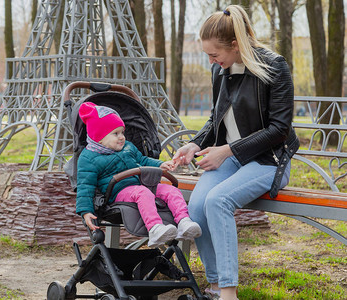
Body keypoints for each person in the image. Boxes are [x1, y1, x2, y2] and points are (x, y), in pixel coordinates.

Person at [172, 5, 299, 300]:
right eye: (208, 55)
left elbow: (279, 130)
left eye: (214, 55)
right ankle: (215, 285)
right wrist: (195, 144)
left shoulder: (274, 67)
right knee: (197, 206)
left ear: (235, 44)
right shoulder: (221, 69)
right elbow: (217, 117)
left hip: (269, 161)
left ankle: (229, 293)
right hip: (231, 160)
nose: (211, 61)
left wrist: (226, 151)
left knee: (218, 201)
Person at [76, 102, 201, 248]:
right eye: (115, 134)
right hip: (116, 193)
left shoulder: (128, 147)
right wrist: (86, 211)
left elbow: (142, 160)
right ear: (99, 137)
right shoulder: (88, 158)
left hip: (139, 184)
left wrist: (159, 164)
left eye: (122, 132)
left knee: (170, 190)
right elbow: (85, 186)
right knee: (142, 192)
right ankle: (154, 228)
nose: (122, 137)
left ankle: (183, 222)